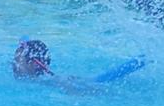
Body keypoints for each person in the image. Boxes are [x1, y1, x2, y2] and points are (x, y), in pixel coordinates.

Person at [13, 38, 145, 93]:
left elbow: (84, 93)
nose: (14, 64)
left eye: (18, 60)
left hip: (93, 84)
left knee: (101, 81)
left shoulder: (50, 82)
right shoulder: (35, 80)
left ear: (35, 64)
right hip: (88, 80)